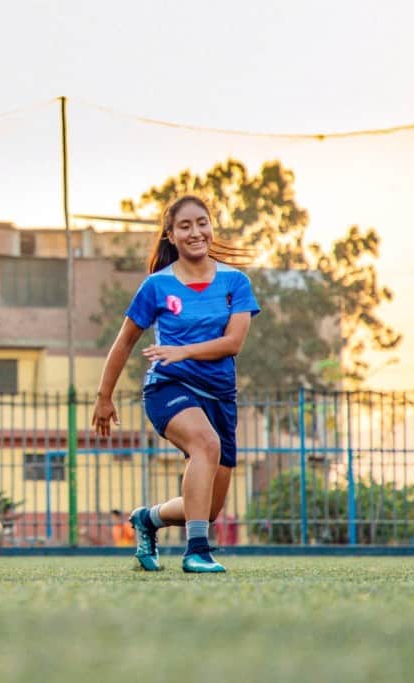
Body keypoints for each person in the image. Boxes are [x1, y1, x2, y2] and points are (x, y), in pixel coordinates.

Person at [92, 195, 259, 573]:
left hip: (219, 397)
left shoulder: (236, 282)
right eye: (185, 226)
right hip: (168, 387)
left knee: (208, 508)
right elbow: (124, 342)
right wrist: (104, 397)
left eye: (202, 222)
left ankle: (147, 519)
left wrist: (184, 351)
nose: (196, 232)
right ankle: (196, 552)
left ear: (211, 227)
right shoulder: (156, 286)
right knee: (205, 442)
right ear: (171, 235)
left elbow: (234, 343)